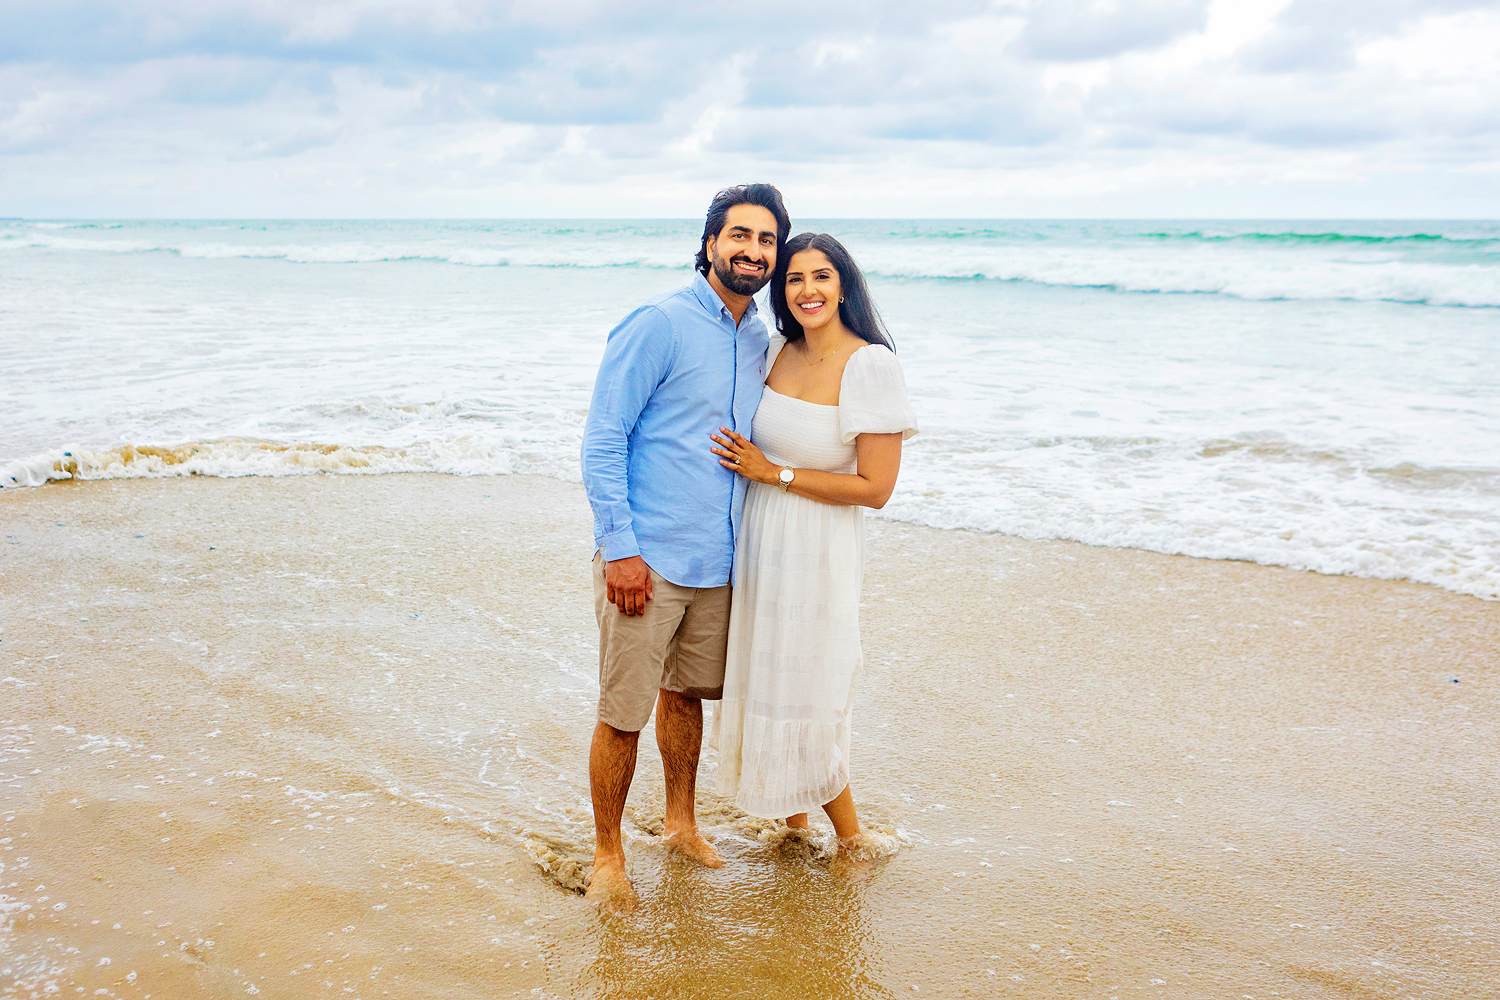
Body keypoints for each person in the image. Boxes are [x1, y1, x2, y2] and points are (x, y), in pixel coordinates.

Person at [579, 183, 790, 912]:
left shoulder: (760, 337)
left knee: (685, 697)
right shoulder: (660, 322)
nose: (751, 251)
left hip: (718, 560)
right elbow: (604, 436)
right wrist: (619, 549)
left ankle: (680, 824)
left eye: (766, 240)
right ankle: (607, 855)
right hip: (648, 556)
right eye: (739, 235)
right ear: (708, 243)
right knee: (622, 710)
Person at [708, 232, 917, 844]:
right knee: (768, 676)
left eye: (821, 276)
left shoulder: (870, 364)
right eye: (794, 279)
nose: (807, 290)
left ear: (844, 285)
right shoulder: (775, 351)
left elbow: (877, 488)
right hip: (762, 538)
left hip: (819, 546)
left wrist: (776, 473)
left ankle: (852, 841)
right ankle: (793, 828)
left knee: (809, 688)